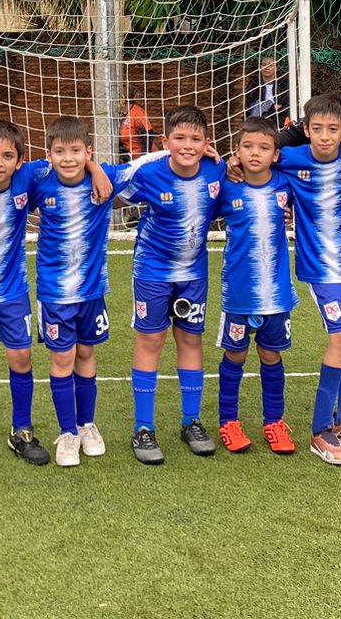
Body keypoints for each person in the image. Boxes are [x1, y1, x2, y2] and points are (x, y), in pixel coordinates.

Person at [0, 120, 108, 471]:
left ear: (19, 161)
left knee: (21, 358)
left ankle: (22, 431)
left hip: (12, 288)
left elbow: (68, 158)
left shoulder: (28, 177)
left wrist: (94, 167)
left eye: (7, 156)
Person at [120, 105, 228, 464]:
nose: (187, 145)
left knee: (190, 339)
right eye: (179, 138)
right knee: (151, 340)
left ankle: (191, 421)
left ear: (207, 143)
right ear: (165, 141)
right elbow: (112, 190)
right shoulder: (149, 174)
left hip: (193, 274)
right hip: (152, 271)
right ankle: (143, 427)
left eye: (196, 139)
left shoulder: (216, 169)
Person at [275, 93, 341, 465]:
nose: (325, 136)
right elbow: (258, 154)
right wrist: (234, 163)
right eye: (317, 129)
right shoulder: (290, 158)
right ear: (306, 130)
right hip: (320, 267)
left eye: (333, 129)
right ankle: (320, 430)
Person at [28, 116, 126, 467]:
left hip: (92, 290)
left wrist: (96, 169)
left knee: (86, 353)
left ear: (88, 151)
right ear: (49, 154)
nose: (67, 158)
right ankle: (67, 432)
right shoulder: (39, 181)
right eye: (59, 152)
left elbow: (147, 164)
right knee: (62, 358)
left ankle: (86, 425)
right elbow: (6, 171)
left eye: (75, 151)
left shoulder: (105, 179)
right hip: (55, 293)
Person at [214, 117, 298, 456]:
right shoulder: (226, 186)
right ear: (236, 150)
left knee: (270, 354)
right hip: (239, 293)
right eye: (247, 146)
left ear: (275, 154)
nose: (254, 153)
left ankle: (274, 422)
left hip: (276, 294)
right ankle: (228, 421)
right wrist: (223, 165)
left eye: (264, 147)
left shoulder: (286, 184)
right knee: (236, 354)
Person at [246, 56, 287, 124]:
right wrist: (271, 106)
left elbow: (285, 103)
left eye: (270, 65)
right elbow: (251, 102)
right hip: (259, 114)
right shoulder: (254, 83)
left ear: (276, 68)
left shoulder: (283, 83)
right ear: (260, 67)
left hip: (279, 115)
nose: (267, 67)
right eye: (264, 64)